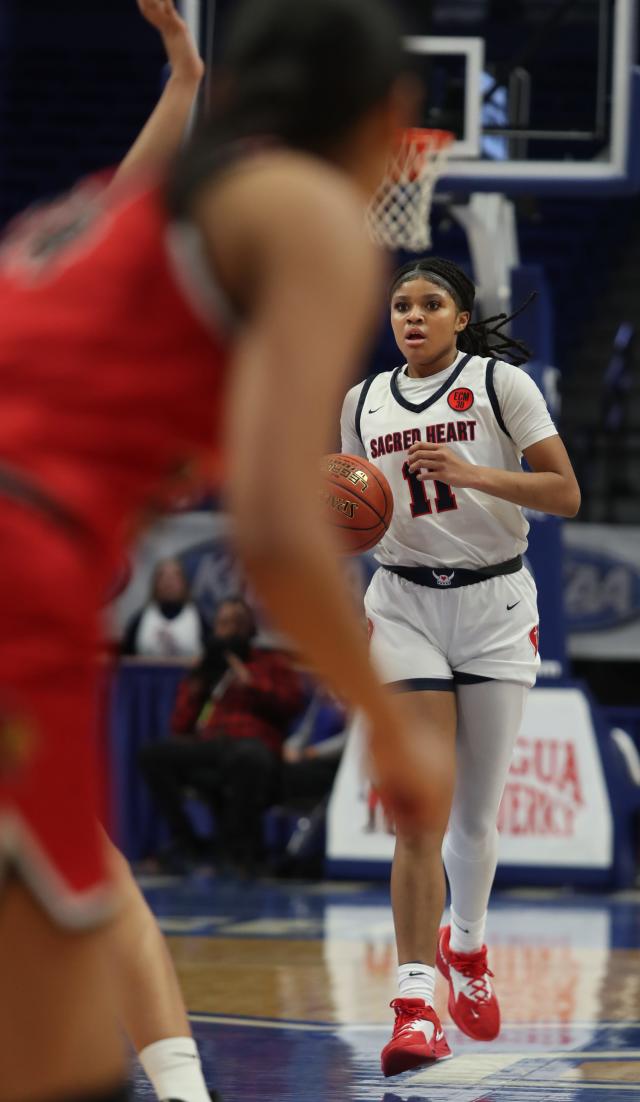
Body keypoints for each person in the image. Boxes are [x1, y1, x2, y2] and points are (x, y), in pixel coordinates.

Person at [0, 1, 447, 1100]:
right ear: (392, 120)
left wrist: (183, 76)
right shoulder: (306, 214)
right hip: (17, 568)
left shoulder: (104, 220)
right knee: (57, 1068)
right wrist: (393, 733)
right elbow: (277, 525)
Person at [340, 255, 581, 1077]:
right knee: (420, 814)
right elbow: (352, 504)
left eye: (429, 303)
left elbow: (565, 494)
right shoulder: (362, 402)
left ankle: (467, 950)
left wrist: (472, 472)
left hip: (496, 609)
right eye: (401, 304)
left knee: (474, 822)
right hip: (402, 604)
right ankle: (415, 1007)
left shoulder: (500, 385)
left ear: (460, 315)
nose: (411, 316)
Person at [140, 596, 306, 870]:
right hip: (211, 743)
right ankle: (188, 841)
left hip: (253, 743)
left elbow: (291, 703)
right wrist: (196, 686)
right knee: (153, 755)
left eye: (236, 623)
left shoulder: (270, 662)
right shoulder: (206, 668)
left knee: (247, 758)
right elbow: (180, 726)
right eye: (223, 623)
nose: (229, 630)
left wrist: (251, 684)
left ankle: (240, 851)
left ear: (249, 627)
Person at [121, 556, 208, 657]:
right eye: (163, 577)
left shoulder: (200, 620)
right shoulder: (139, 621)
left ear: (184, 583)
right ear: (155, 584)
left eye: (174, 577)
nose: (169, 582)